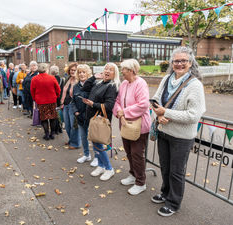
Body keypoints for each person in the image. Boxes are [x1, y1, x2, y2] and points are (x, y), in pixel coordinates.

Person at [151, 46, 206, 217]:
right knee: (165, 167)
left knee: (176, 171)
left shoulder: (195, 85)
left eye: (183, 61)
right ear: (171, 63)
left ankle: (173, 203)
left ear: (190, 63)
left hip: (182, 137)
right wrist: (159, 116)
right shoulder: (167, 78)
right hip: (164, 131)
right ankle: (165, 193)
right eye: (176, 61)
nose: (179, 64)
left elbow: (194, 115)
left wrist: (165, 113)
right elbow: (155, 100)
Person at [113, 59, 151, 195]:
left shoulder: (140, 83)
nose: (121, 71)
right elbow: (117, 101)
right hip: (125, 124)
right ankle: (133, 174)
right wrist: (119, 113)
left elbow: (143, 104)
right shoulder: (124, 83)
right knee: (129, 152)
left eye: (123, 69)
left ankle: (141, 182)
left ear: (131, 70)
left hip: (139, 126)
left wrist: (125, 112)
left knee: (136, 154)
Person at [81, 63, 120, 181]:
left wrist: (92, 104)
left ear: (115, 74)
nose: (107, 71)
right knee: (95, 143)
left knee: (98, 144)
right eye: (106, 69)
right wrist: (93, 77)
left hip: (101, 119)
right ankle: (101, 166)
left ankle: (109, 168)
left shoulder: (112, 86)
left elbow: (109, 105)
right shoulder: (98, 83)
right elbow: (85, 88)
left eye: (111, 70)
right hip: (92, 118)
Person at [71, 64, 96, 164]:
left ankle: (98, 157)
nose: (81, 74)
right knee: (83, 136)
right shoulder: (76, 86)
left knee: (94, 138)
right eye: (80, 72)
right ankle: (86, 155)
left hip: (91, 116)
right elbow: (73, 101)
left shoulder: (93, 85)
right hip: (80, 117)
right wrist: (75, 111)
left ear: (88, 73)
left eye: (84, 72)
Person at [31, 63, 61, 140]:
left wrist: (35, 99)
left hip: (41, 101)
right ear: (46, 69)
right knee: (52, 117)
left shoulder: (34, 79)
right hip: (52, 100)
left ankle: (46, 134)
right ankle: (52, 134)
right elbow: (58, 89)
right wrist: (56, 96)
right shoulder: (52, 78)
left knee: (44, 118)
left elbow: (32, 91)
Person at [60, 63, 81, 150]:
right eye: (71, 70)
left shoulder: (79, 81)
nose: (73, 72)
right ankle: (71, 140)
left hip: (73, 106)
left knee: (74, 125)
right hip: (65, 105)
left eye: (75, 70)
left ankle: (76, 143)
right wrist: (61, 103)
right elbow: (63, 91)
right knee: (67, 125)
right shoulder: (67, 79)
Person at [49, 65, 65, 134]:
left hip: (52, 98)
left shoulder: (49, 79)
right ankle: (59, 128)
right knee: (59, 113)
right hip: (59, 98)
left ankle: (54, 129)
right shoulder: (62, 79)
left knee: (53, 114)